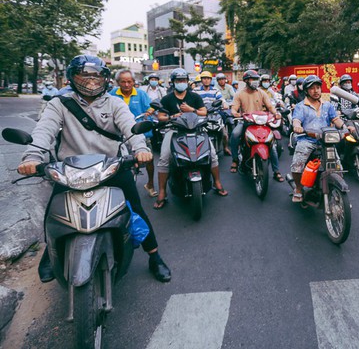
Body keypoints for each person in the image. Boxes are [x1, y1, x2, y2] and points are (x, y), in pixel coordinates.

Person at [18, 55, 172, 283]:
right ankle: (50, 254)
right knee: (54, 210)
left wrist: (140, 149)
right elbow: (44, 131)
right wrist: (32, 156)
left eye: (96, 76)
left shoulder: (114, 103)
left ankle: (154, 255)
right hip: (69, 171)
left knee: (136, 210)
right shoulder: (59, 104)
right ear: (73, 78)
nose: (90, 81)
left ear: (105, 79)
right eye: (84, 76)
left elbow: (131, 129)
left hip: (111, 167)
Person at [155, 68, 228, 209]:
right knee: (164, 158)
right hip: (174, 131)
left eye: (183, 80)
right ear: (173, 82)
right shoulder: (167, 98)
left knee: (212, 154)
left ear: (187, 82)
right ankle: (162, 192)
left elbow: (203, 112)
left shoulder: (194, 97)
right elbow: (160, 116)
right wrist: (172, 117)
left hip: (197, 130)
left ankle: (217, 182)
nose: (181, 83)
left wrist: (191, 110)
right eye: (178, 80)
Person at [290, 75, 353, 203]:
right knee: (297, 166)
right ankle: (298, 188)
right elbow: (296, 120)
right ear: (306, 91)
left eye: (318, 87)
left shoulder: (327, 105)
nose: (316, 91)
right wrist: (297, 126)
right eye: (312, 88)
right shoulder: (301, 106)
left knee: (338, 168)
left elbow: (335, 119)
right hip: (307, 140)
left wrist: (346, 127)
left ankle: (337, 193)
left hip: (326, 141)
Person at [229, 70, 283, 181]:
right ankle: (235, 160)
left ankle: (276, 171)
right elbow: (234, 108)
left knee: (271, 145)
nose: (255, 82)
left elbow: (270, 106)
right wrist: (236, 113)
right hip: (245, 121)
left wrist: (275, 113)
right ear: (246, 81)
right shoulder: (239, 94)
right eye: (252, 79)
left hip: (260, 122)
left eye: (256, 79)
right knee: (234, 135)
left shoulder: (261, 92)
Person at [111, 69, 158, 197]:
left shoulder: (141, 94)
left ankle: (150, 184)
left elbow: (150, 107)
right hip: (118, 134)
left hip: (139, 131)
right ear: (118, 82)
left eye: (129, 82)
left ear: (133, 82)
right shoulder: (111, 94)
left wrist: (149, 111)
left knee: (149, 157)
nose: (126, 85)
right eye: (123, 82)